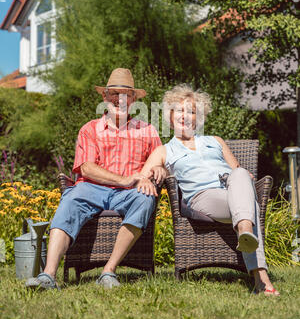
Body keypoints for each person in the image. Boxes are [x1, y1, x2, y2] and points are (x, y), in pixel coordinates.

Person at [25, 68, 164, 290]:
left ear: (134, 99)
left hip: (129, 194)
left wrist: (157, 171)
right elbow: (87, 168)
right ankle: (48, 275)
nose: (120, 99)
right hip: (92, 189)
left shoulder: (147, 130)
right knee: (70, 200)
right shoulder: (90, 129)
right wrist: (124, 179)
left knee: (145, 199)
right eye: (114, 94)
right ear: (104, 97)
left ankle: (109, 271)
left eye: (126, 94)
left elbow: (160, 160)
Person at [137, 84, 279, 296]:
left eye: (192, 111)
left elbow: (237, 171)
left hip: (233, 192)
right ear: (170, 116)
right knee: (249, 202)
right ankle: (258, 271)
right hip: (203, 198)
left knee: (240, 174)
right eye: (180, 110)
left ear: (198, 118)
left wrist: (242, 178)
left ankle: (247, 234)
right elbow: (142, 177)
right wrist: (158, 169)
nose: (185, 116)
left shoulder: (216, 141)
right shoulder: (165, 150)